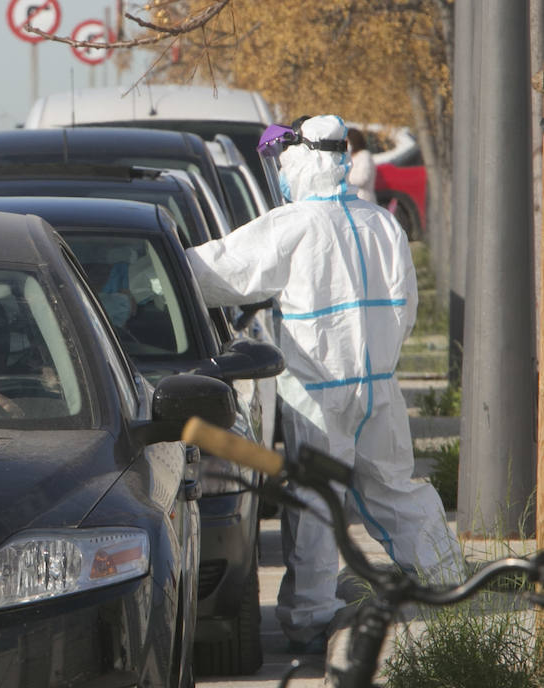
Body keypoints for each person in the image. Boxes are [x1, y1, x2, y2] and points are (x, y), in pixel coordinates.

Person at [184, 115, 462, 653]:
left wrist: (157, 268)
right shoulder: (383, 224)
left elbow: (220, 272)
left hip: (315, 390)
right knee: (397, 488)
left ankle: (312, 614)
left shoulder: (294, 224)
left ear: (302, 160)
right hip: (378, 386)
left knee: (315, 499)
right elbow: (406, 307)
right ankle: (449, 584)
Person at [346, 127, 377, 203]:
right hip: (352, 200)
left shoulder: (364, 156)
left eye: (347, 141)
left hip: (363, 199)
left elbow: (362, 179)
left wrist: (344, 178)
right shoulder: (349, 156)